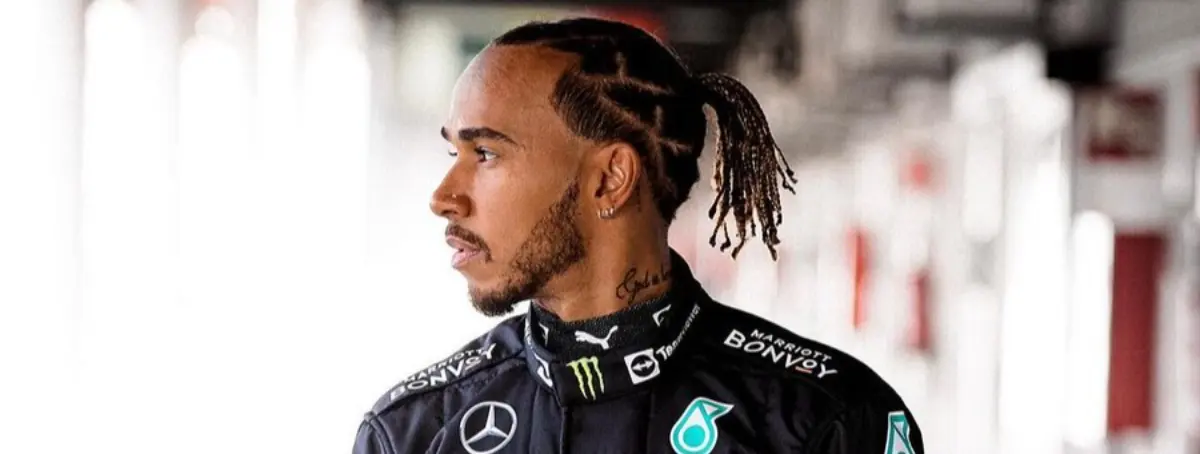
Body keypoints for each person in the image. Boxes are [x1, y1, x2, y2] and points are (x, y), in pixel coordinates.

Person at [353, 17, 923, 454]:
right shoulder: (409, 434)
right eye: (453, 153)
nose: (443, 196)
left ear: (610, 179)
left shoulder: (828, 420)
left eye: (484, 153)